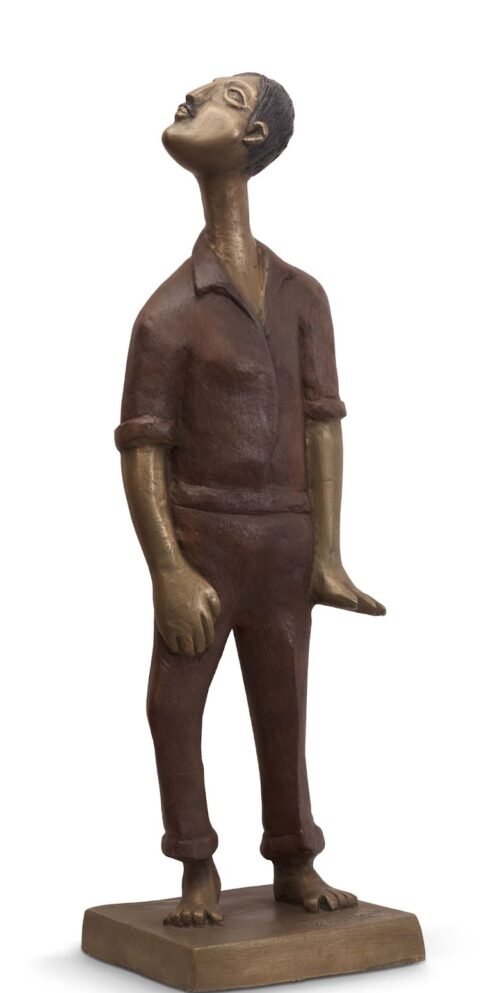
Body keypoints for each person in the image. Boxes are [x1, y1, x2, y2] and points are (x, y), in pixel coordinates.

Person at [115, 73, 385, 927]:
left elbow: (322, 422)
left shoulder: (303, 296)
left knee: (283, 702)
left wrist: (328, 552)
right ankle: (196, 863)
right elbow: (141, 446)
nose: (190, 99)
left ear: (255, 136)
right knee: (173, 707)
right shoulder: (168, 313)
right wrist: (168, 569)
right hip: (203, 536)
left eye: (224, 96)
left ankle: (295, 857)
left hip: (284, 539)